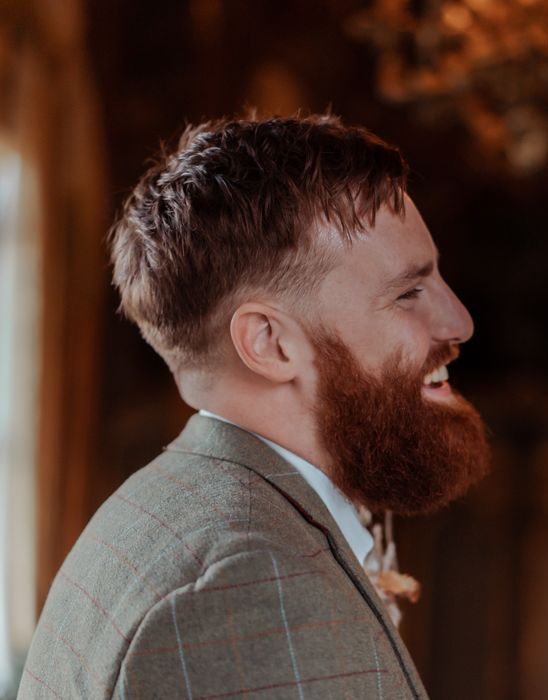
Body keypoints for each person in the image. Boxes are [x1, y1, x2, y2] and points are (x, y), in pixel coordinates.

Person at [19, 114, 490, 699]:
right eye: (408, 292)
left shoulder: (162, 508)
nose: (459, 322)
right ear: (269, 343)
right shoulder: (254, 585)